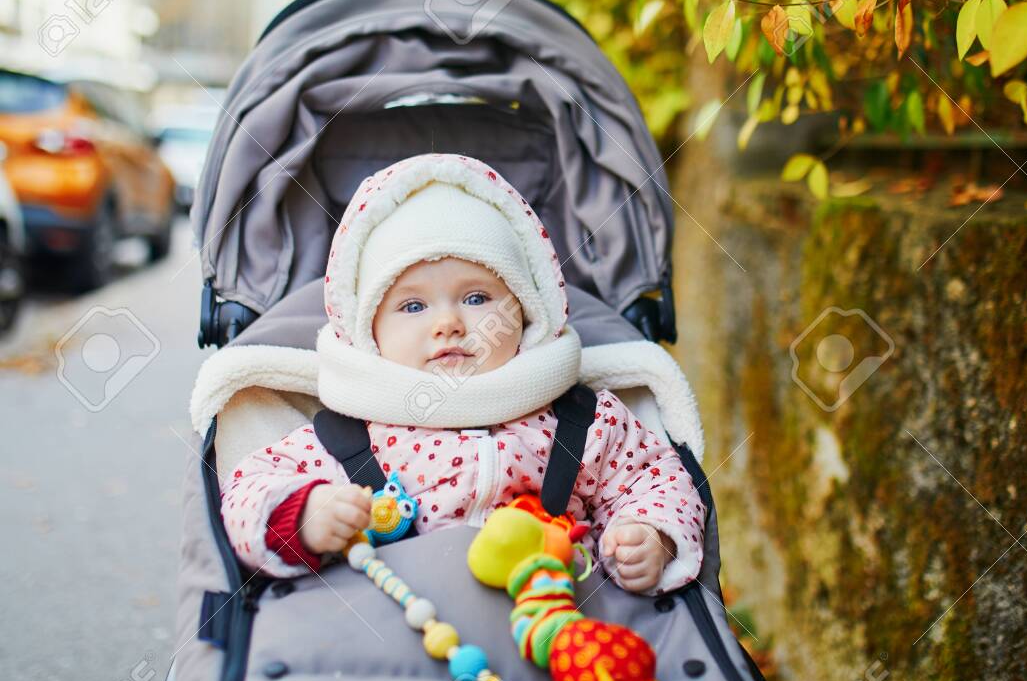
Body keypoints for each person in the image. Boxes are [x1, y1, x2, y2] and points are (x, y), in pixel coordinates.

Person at [218, 154, 705, 596]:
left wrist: (649, 534)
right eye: (412, 305)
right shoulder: (349, 434)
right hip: (396, 639)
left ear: (528, 310)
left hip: (555, 636)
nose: (448, 323)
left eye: (477, 298)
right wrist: (303, 516)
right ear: (369, 333)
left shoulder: (584, 422)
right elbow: (245, 490)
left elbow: (655, 477)